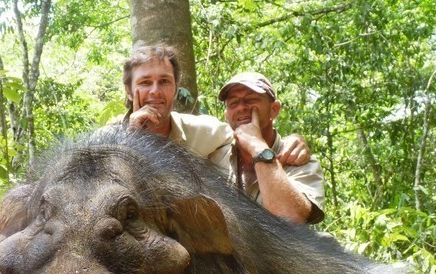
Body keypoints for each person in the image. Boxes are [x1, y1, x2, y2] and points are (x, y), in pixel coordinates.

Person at [121, 45, 322, 223]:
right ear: (129, 91)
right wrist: (131, 137)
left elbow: (290, 218)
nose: (155, 91)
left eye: (164, 81)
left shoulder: (210, 137)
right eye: (145, 82)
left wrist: (266, 147)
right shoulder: (108, 141)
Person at [218, 72, 325, 224]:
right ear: (227, 115)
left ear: (274, 109)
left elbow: (291, 218)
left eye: (251, 99)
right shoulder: (214, 153)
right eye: (233, 103)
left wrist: (257, 147)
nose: (241, 107)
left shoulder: (300, 162)